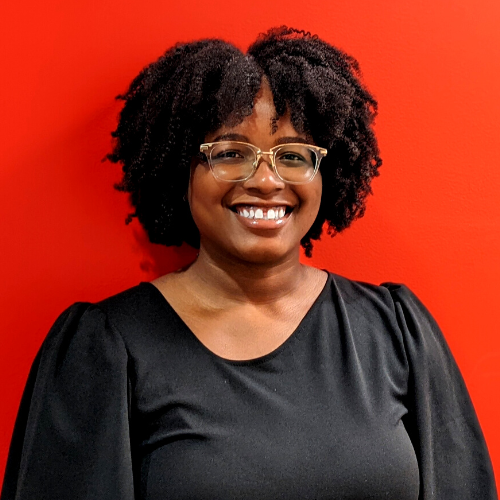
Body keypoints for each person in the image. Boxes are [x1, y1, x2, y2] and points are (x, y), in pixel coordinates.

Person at [1, 26, 497, 500]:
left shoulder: (395, 331)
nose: (265, 180)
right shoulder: (107, 350)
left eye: (293, 155)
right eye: (232, 153)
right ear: (181, 169)